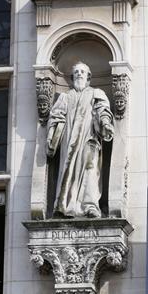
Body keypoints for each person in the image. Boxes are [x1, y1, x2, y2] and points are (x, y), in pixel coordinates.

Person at [46, 62, 115, 218]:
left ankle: (90, 205)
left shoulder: (96, 93)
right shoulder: (65, 96)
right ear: (72, 77)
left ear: (88, 76)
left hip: (89, 139)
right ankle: (65, 205)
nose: (79, 74)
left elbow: (103, 111)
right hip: (68, 141)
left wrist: (105, 123)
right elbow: (56, 117)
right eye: (76, 71)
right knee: (67, 171)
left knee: (90, 169)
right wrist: (51, 136)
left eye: (82, 71)